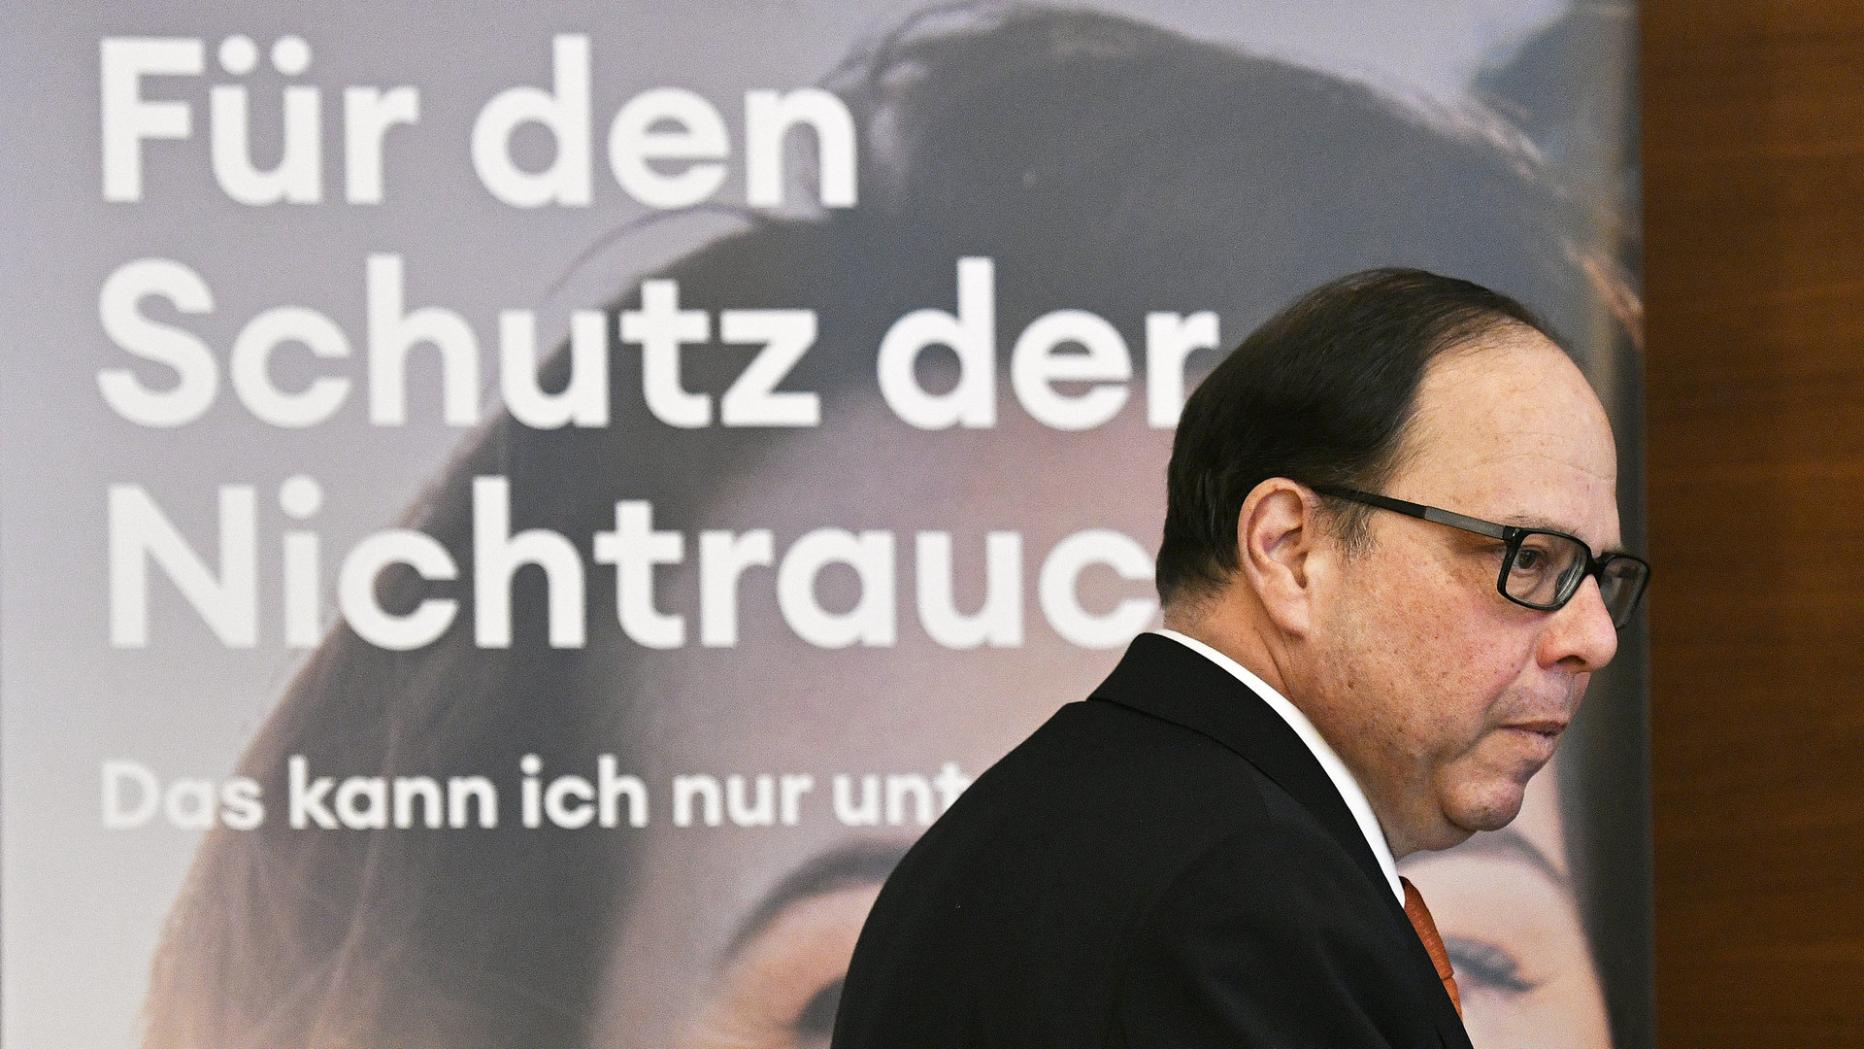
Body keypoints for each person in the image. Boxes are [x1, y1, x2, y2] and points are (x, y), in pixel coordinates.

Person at [140, 8, 1647, 1049]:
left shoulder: (1093, 836)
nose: (1582, 632)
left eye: (1474, 961)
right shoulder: (1204, 869)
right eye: (830, 995)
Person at [829, 268, 1648, 1048]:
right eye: (1528, 559)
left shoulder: (1032, 831)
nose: (1595, 638)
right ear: (1290, 550)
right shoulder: (1240, 895)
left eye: (1601, 576)